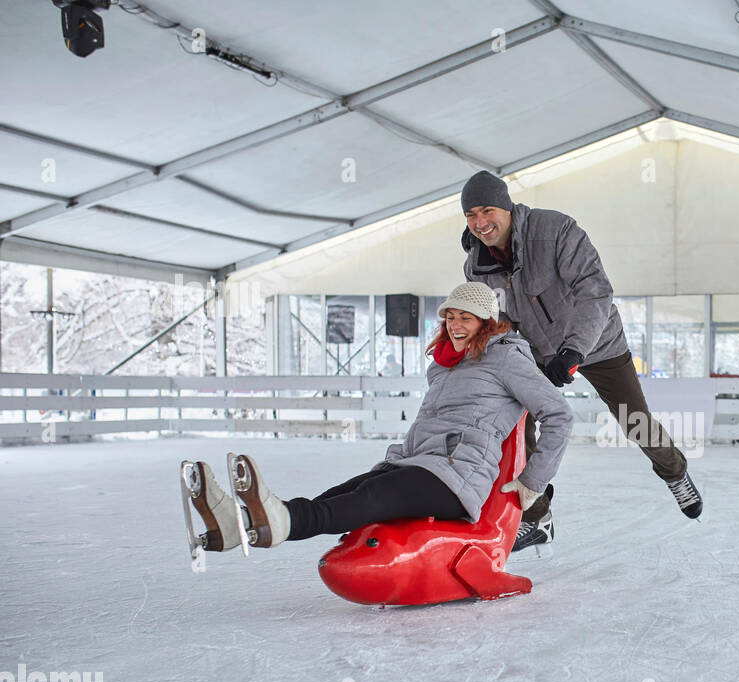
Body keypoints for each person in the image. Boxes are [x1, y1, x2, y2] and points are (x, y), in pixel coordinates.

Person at [181, 282, 573, 552]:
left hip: (457, 478)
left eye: (465, 318)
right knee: (342, 494)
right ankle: (240, 524)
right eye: (450, 317)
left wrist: (532, 482)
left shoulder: (506, 357)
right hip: (416, 463)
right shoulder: (444, 367)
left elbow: (558, 415)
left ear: (486, 323)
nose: (454, 325)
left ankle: (275, 520)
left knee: (371, 498)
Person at [459, 169, 703, 554]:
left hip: (598, 341)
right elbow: (496, 319)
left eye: (487, 210)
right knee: (515, 427)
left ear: (506, 206)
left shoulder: (554, 230)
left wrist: (574, 350)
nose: (480, 223)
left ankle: (675, 472)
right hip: (537, 352)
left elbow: (595, 289)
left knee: (634, 419)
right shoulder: (478, 263)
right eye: (471, 216)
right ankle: (537, 516)